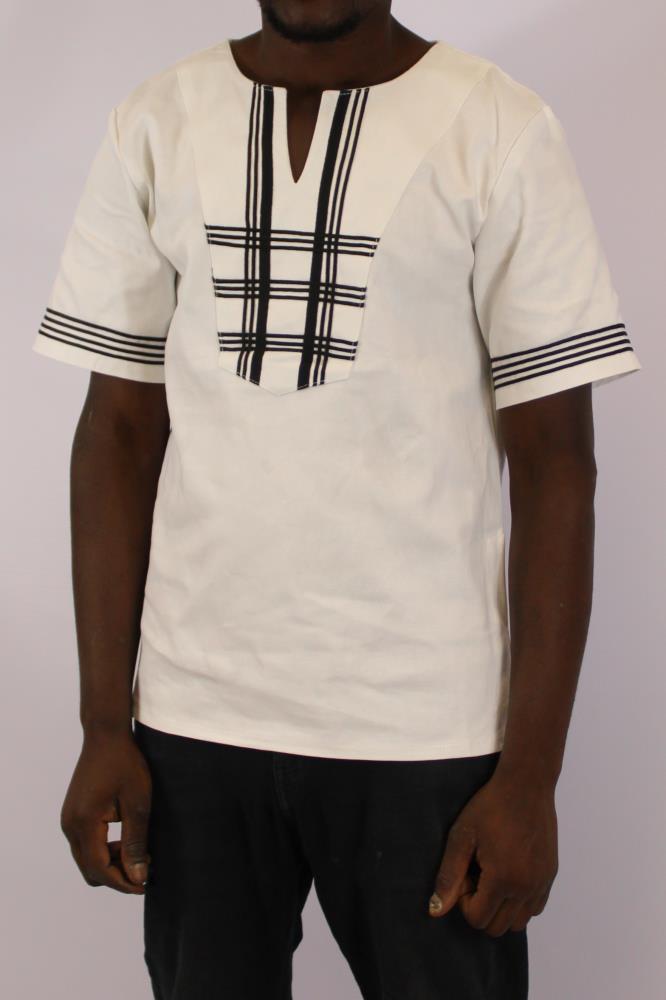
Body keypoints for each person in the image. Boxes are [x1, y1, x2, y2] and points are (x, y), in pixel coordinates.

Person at [33, 2, 642, 998]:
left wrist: (531, 776)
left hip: (428, 732)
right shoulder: (156, 120)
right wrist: (105, 722)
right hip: (195, 720)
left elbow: (555, 464)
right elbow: (118, 433)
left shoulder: (498, 126)